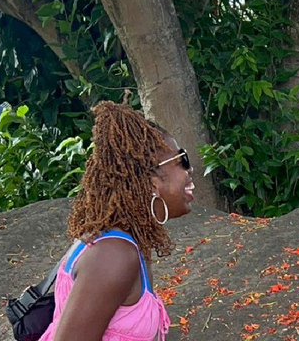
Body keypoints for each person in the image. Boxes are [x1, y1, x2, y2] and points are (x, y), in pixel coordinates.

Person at [39, 100, 195, 341]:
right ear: (152, 182)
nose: (189, 171)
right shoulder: (114, 255)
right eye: (182, 160)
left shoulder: (128, 244)